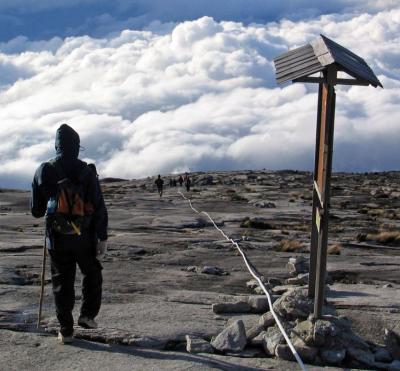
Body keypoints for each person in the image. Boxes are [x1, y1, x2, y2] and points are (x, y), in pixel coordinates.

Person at [31, 124, 108, 344]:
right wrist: (102, 236)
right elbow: (99, 206)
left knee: (61, 282)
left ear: (57, 145)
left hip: (56, 238)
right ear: (76, 146)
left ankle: (66, 330)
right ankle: (87, 315)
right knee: (92, 272)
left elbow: (36, 211)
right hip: (84, 236)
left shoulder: (44, 169)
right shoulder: (87, 171)